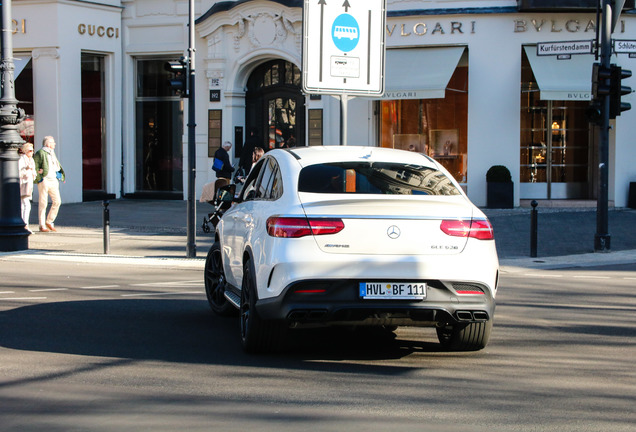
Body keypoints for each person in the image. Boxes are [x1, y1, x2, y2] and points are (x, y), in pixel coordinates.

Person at [33, 136, 65, 232]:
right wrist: (40, 178)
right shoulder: (40, 153)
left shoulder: (52, 153)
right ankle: (42, 225)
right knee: (43, 203)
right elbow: (35, 166)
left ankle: (49, 221)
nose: (54, 144)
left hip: (53, 180)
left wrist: (60, 176)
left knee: (57, 201)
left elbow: (56, 166)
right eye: (53, 142)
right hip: (45, 180)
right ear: (47, 144)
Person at [18, 143, 36, 233]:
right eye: (30, 150)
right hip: (23, 184)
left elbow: (34, 172)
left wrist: (34, 173)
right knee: (26, 204)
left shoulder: (31, 160)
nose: (32, 152)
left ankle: (24, 223)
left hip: (29, 184)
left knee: (24, 204)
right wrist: (27, 169)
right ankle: (24, 224)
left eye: (32, 150)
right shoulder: (22, 159)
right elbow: (18, 172)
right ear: (25, 151)